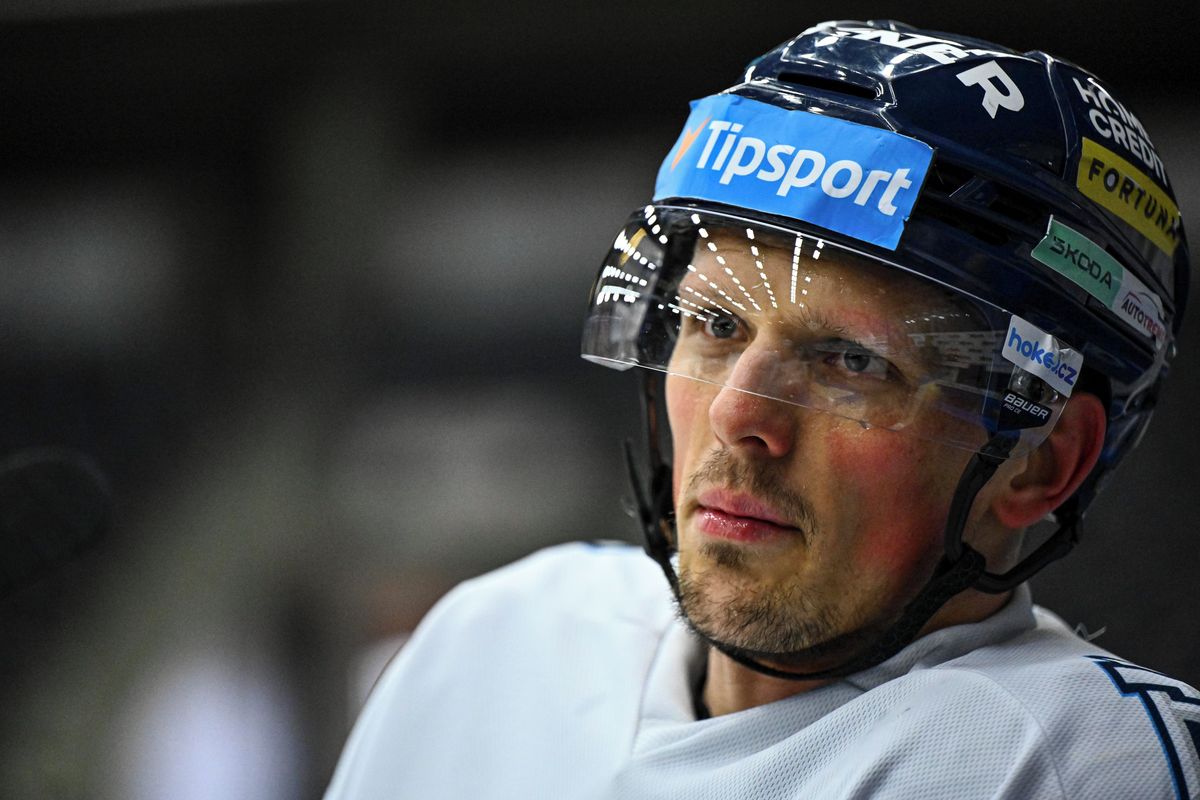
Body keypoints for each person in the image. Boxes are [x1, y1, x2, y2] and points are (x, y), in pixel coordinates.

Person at [324, 20, 1198, 799]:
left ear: (1042, 461)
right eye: (715, 325)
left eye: (853, 361)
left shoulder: (1071, 763)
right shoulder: (496, 641)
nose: (739, 414)